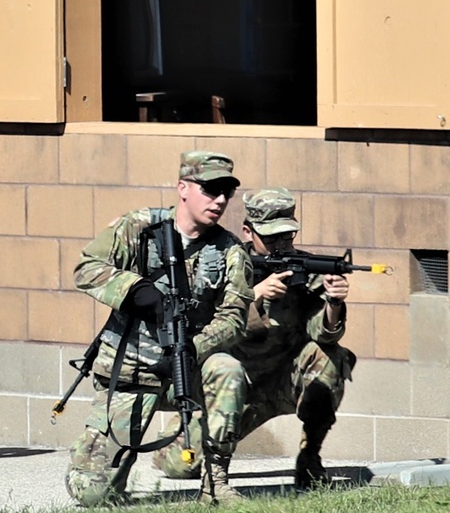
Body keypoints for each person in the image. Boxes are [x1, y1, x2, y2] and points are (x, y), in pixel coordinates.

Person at [65, 151, 253, 508]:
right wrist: (135, 290)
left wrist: (191, 349)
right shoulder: (138, 228)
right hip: (134, 371)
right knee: (92, 493)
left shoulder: (230, 250)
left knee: (228, 370)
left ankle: (216, 484)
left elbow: (233, 318)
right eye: (210, 190)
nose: (220, 201)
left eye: (226, 193)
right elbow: (85, 269)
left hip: (189, 368)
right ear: (183, 187)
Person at [153, 187, 356, 490]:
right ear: (248, 231)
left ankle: (309, 458)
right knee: (180, 466)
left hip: (280, 381)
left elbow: (323, 336)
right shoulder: (224, 266)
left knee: (332, 357)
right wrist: (254, 297)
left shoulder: (304, 270)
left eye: (287, 236)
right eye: (271, 238)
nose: (281, 245)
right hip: (231, 386)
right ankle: (185, 429)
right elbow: (207, 330)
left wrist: (334, 302)